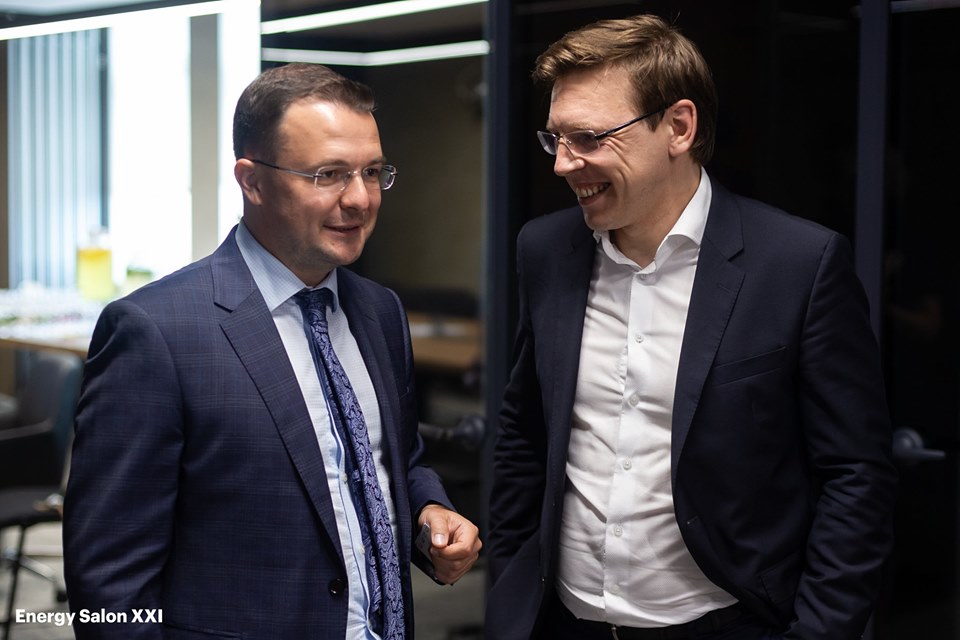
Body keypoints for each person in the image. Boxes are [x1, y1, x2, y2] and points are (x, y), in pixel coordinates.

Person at [486, 14, 896, 640]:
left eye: (589, 137)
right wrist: (511, 585)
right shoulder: (545, 250)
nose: (564, 165)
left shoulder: (797, 265)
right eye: (555, 139)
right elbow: (525, 431)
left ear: (678, 127)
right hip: (563, 622)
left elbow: (855, 475)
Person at [63, 62, 481, 640]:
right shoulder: (156, 333)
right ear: (252, 180)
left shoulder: (380, 312)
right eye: (328, 174)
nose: (360, 199)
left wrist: (428, 511)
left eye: (372, 172)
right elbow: (108, 582)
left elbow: (392, 461)